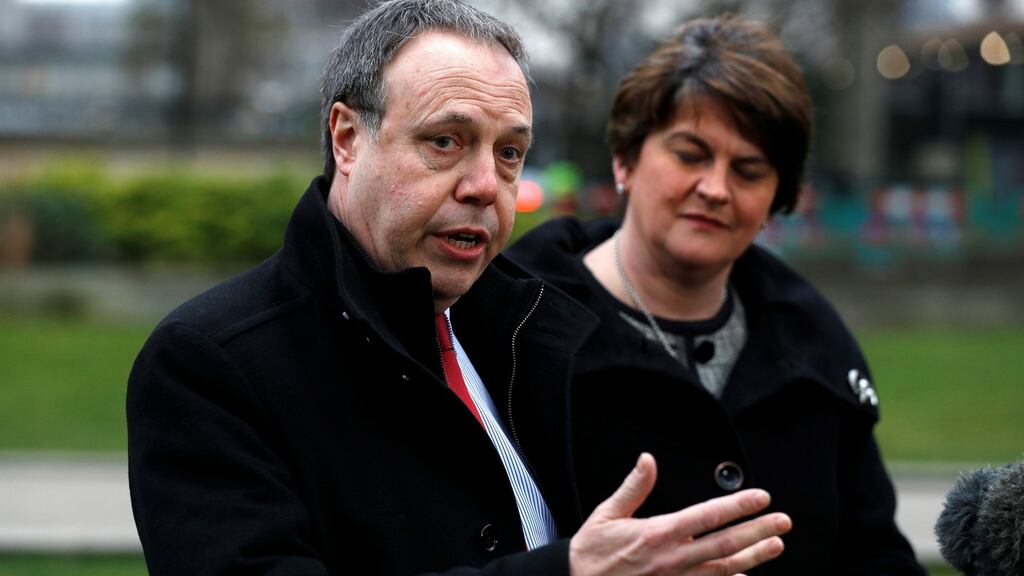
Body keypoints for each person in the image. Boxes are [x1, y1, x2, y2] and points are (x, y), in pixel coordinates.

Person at [126, 2, 793, 575]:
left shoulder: (533, 334)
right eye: (446, 141)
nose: (485, 186)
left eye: (509, 153)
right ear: (347, 139)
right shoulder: (209, 364)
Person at [507, 15, 926, 575]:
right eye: (690, 154)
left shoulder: (818, 350)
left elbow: (875, 556)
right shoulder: (512, 330)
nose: (715, 188)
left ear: (779, 197)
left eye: (749, 171)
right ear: (625, 160)